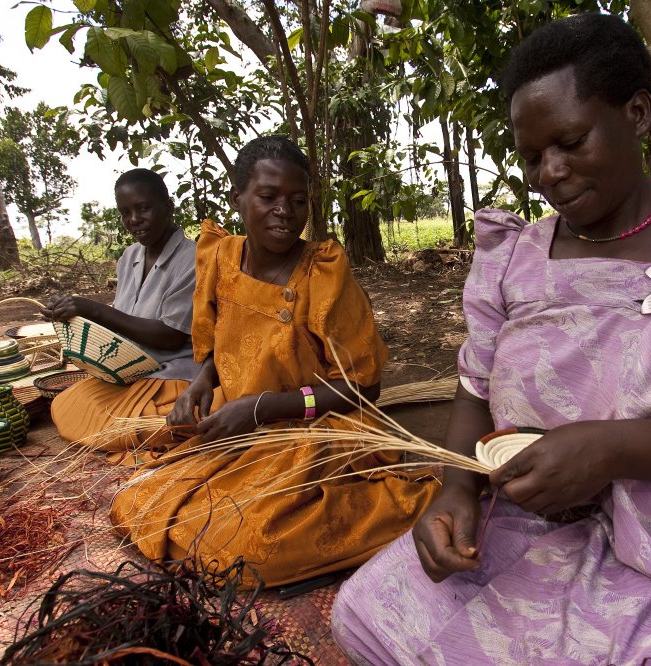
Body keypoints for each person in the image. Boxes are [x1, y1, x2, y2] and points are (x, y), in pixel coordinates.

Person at [331, 14, 651, 665]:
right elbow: (473, 390)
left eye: (571, 142)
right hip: (521, 529)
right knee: (364, 614)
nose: (549, 172)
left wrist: (610, 450)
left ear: (637, 112)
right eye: (530, 157)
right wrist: (456, 492)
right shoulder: (512, 258)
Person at [109, 136, 438, 588]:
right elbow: (216, 339)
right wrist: (202, 381)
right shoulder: (221, 256)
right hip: (239, 422)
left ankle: (403, 506)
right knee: (141, 502)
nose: (285, 210)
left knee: (243, 544)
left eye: (298, 200)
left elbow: (364, 388)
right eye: (268, 197)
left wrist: (263, 408)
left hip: (312, 428)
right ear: (238, 198)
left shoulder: (323, 273)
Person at [46, 168, 201, 458]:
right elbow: (121, 325)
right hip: (129, 376)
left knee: (171, 420)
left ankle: (156, 428)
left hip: (173, 376)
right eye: (125, 212)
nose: (134, 220)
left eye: (144, 208)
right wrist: (72, 315)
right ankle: (135, 428)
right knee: (65, 406)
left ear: (168, 207)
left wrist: (92, 308)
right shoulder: (129, 257)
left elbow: (170, 337)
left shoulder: (193, 258)